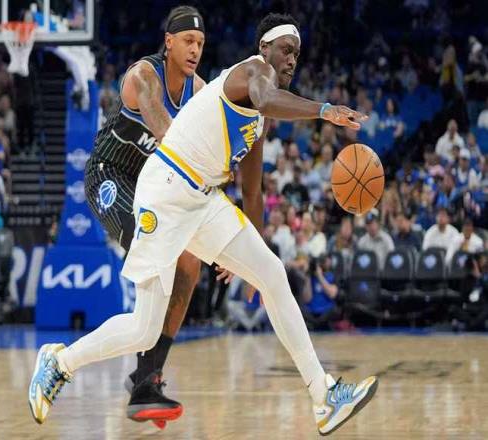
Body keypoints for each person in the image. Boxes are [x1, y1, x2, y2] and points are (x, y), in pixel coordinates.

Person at [29, 13, 378, 435]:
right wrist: (324, 110)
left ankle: (324, 397)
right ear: (264, 48)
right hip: (166, 190)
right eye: (286, 50)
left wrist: (245, 257)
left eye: (297, 54)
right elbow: (267, 97)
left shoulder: (257, 120)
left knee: (271, 272)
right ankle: (60, 362)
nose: (291, 59)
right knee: (143, 329)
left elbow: (252, 192)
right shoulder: (252, 73)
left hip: (202, 198)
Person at [39, 6, 207, 428]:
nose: (195, 50)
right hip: (109, 176)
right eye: (188, 41)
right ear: (168, 42)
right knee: (161, 259)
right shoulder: (143, 77)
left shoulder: (199, 91)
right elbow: (169, 135)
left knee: (191, 263)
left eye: (201, 43)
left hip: (153, 188)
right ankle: (67, 363)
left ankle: (147, 377)